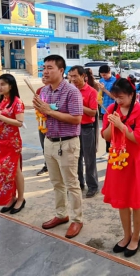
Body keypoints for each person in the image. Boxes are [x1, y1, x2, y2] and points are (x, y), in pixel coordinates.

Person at [33, 54, 84, 239]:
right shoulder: (45, 91)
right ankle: (61, 215)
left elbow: (77, 118)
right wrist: (41, 110)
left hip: (68, 142)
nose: (45, 71)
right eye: (44, 67)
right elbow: (45, 113)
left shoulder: (72, 91)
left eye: (49, 68)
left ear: (61, 71)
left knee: (71, 183)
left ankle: (77, 219)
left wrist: (49, 110)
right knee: (56, 183)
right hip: (49, 141)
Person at [101, 78, 140, 258]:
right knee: (122, 200)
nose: (118, 101)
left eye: (121, 97)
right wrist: (111, 124)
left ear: (132, 95)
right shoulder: (111, 109)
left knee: (136, 201)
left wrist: (121, 126)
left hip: (135, 162)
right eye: (116, 98)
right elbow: (106, 137)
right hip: (117, 160)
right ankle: (126, 235)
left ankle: (136, 238)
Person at [0, 74, 26, 214]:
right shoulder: (0, 101)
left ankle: (20, 199)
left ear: (11, 86)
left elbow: (19, 123)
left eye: (3, 84)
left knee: (15, 171)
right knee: (3, 171)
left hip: (12, 142)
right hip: (1, 141)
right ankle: (11, 198)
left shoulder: (17, 102)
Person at [68, 66, 99, 198]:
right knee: (76, 158)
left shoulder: (91, 91)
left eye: (75, 76)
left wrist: (79, 103)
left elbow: (93, 112)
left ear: (83, 76)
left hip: (87, 128)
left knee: (89, 158)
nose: (73, 79)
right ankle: (79, 184)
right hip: (73, 128)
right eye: (71, 76)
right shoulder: (70, 91)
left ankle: (93, 186)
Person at [98, 65, 117, 157]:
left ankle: (115, 147)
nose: (103, 77)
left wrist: (104, 89)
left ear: (109, 72)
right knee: (105, 129)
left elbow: (115, 96)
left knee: (114, 129)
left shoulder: (115, 81)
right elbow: (100, 94)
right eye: (102, 75)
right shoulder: (101, 81)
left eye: (105, 75)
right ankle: (107, 148)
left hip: (114, 108)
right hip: (104, 108)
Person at [84, 68, 100, 153]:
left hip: (93, 107)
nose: (85, 78)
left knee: (95, 128)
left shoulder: (94, 84)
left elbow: (95, 95)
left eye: (86, 76)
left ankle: (94, 147)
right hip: (85, 108)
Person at [36, 76, 48, 176]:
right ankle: (47, 165)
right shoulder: (40, 90)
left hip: (53, 122)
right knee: (44, 145)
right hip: (42, 121)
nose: (44, 77)